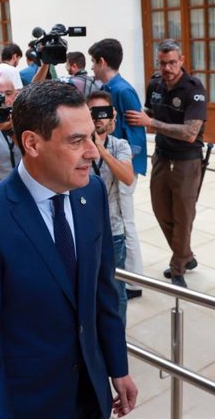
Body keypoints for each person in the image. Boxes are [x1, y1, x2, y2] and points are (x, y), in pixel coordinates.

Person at [0, 80, 138, 418]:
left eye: (91, 138)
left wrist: (117, 366)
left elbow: (102, 291)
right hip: (29, 404)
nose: (93, 153)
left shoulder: (91, 193)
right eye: (76, 141)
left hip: (92, 394)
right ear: (32, 143)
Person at [125, 39, 207, 288]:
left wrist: (151, 124)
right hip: (161, 156)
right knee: (161, 211)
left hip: (186, 161)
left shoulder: (194, 89)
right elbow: (147, 113)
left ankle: (178, 269)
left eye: (172, 62)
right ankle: (186, 256)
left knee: (183, 216)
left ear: (181, 60)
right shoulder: (155, 84)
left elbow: (190, 132)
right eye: (163, 63)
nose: (168, 68)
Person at [89, 38, 146, 299]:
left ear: (102, 61)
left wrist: (125, 160)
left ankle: (133, 280)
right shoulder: (107, 88)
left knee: (125, 222)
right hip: (105, 160)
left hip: (119, 162)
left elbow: (136, 130)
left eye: (93, 62)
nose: (91, 68)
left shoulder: (122, 90)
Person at [87, 91, 135, 324]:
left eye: (103, 113)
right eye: (92, 112)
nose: (98, 119)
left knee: (116, 291)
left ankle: (117, 339)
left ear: (112, 115)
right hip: (84, 230)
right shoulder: (79, 146)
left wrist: (102, 150)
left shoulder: (119, 145)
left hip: (113, 230)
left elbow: (127, 177)